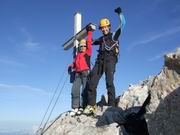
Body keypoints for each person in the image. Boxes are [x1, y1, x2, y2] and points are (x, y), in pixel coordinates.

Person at [83, 7, 126, 115]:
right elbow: (91, 42)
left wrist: (120, 13)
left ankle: (112, 107)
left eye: (105, 27)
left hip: (110, 60)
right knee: (92, 81)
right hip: (100, 61)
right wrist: (88, 32)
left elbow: (123, 24)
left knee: (109, 82)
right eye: (102, 27)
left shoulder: (114, 35)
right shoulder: (101, 39)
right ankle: (91, 105)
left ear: (109, 27)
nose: (104, 29)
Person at [68, 29, 92, 116]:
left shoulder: (88, 52)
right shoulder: (77, 55)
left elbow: (89, 42)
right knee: (74, 90)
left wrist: (89, 32)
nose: (82, 47)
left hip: (86, 72)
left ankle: (83, 106)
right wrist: (71, 66)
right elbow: (74, 64)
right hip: (77, 74)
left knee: (84, 91)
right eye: (81, 46)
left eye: (84, 46)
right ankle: (75, 107)